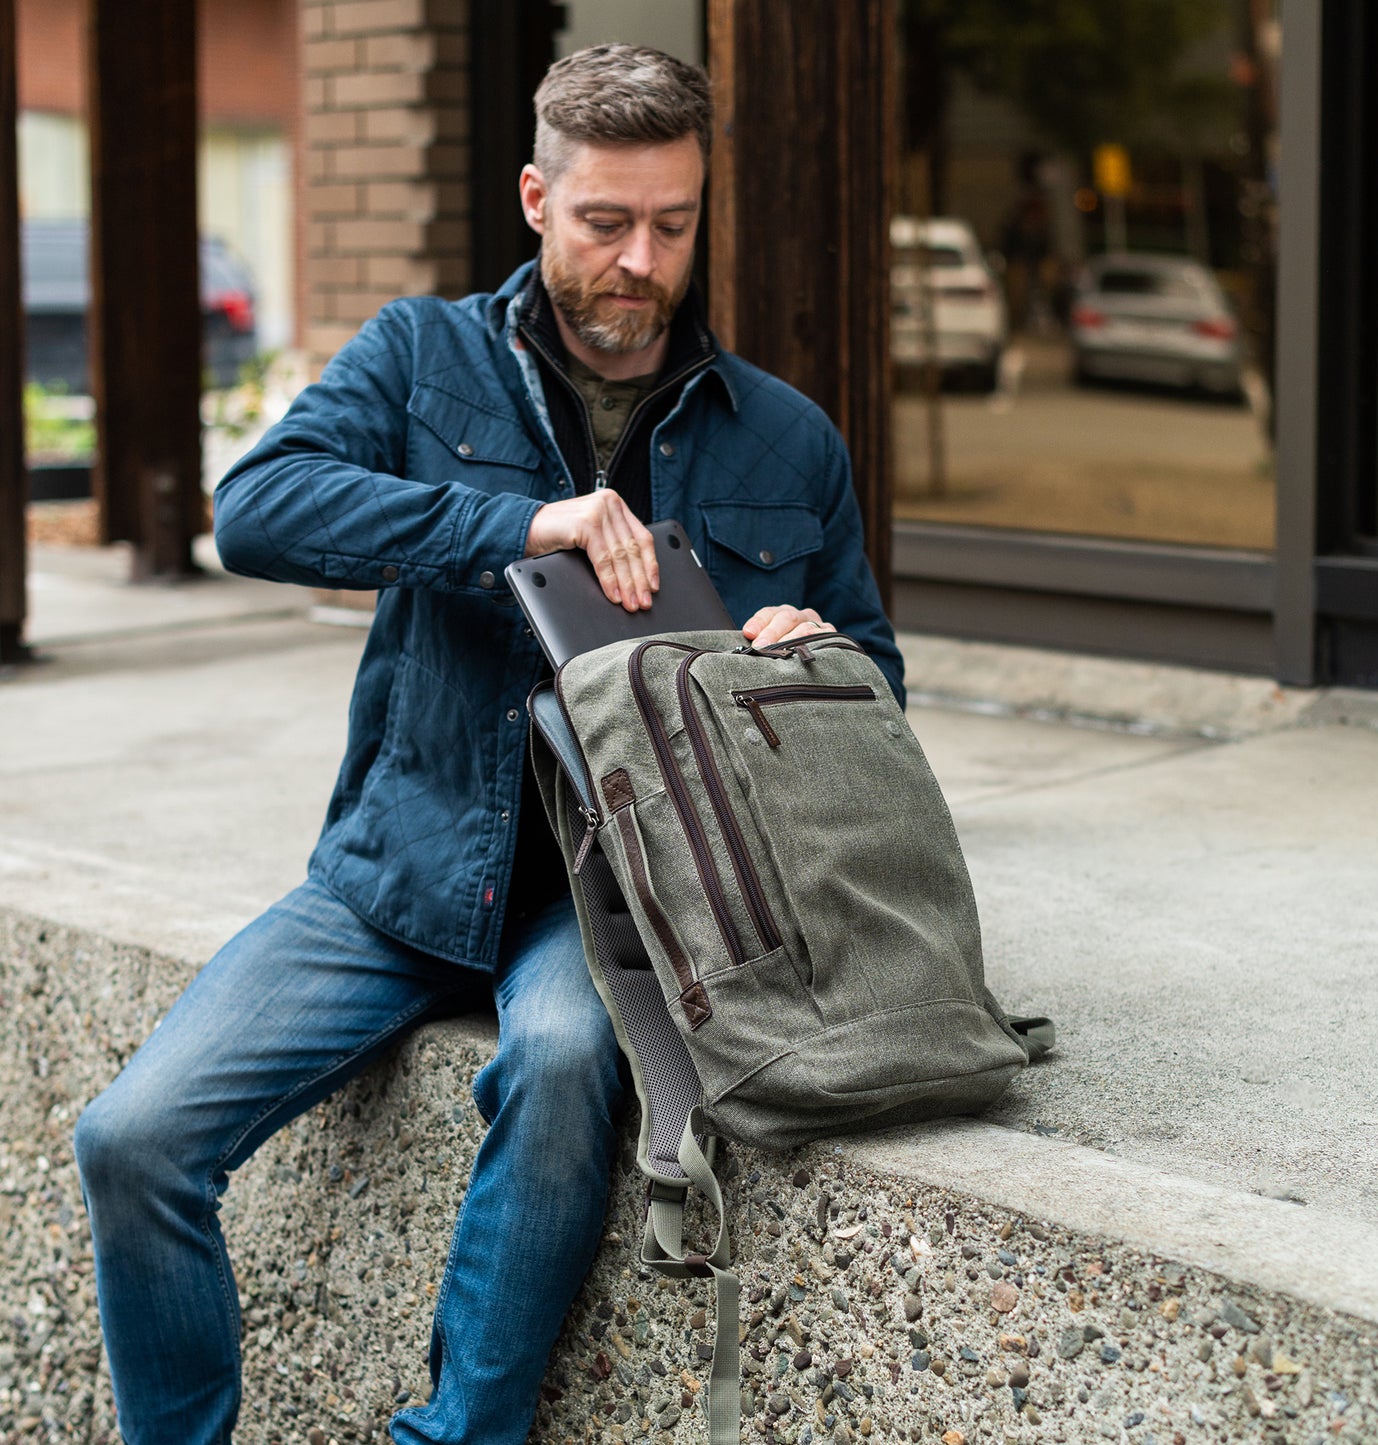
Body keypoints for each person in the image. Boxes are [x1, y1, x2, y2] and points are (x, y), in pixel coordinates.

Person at [72, 42, 903, 1445]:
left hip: (617, 901)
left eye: (672, 225)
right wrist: (523, 526)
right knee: (131, 1139)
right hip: (396, 873)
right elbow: (257, 509)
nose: (639, 260)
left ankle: (466, 1433)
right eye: (604, 221)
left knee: (571, 1061)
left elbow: (876, 678)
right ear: (534, 196)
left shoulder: (789, 436)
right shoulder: (418, 355)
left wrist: (806, 661)